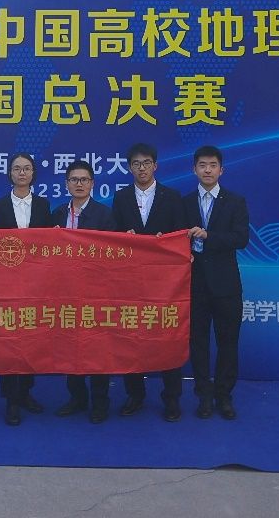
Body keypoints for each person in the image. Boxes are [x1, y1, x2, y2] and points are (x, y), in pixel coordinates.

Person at [111, 142, 186, 421]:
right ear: (129, 168)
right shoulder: (121, 198)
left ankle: (172, 398)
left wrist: (165, 242)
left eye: (146, 163)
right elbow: (113, 236)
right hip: (129, 281)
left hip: (165, 283)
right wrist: (125, 237)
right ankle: (135, 394)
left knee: (167, 336)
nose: (141, 168)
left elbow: (181, 237)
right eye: (136, 164)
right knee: (131, 336)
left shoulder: (172, 197)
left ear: (155, 165)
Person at [182, 145, 250, 420]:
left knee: (228, 343)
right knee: (198, 344)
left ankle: (224, 396)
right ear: (194, 169)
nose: (207, 170)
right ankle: (204, 396)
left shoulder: (235, 201)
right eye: (202, 165)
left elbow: (241, 239)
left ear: (221, 170)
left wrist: (209, 236)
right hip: (194, 284)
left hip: (226, 285)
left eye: (212, 165)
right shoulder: (185, 203)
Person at [50, 159, 117, 424]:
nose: (79, 184)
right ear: (66, 184)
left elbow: (112, 254)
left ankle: (100, 401)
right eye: (74, 180)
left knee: (97, 347)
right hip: (65, 291)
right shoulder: (57, 214)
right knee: (71, 346)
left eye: (84, 179)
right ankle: (77, 398)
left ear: (92, 184)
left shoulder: (105, 215)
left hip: (96, 291)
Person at [0, 152, 52, 426]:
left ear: (33, 173)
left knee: (30, 338)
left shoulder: (43, 205)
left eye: (26, 168)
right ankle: (11, 400)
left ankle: (25, 392)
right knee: (9, 339)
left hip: (36, 283)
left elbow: (48, 244)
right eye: (17, 168)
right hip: (7, 283)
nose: (22, 173)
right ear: (10, 174)